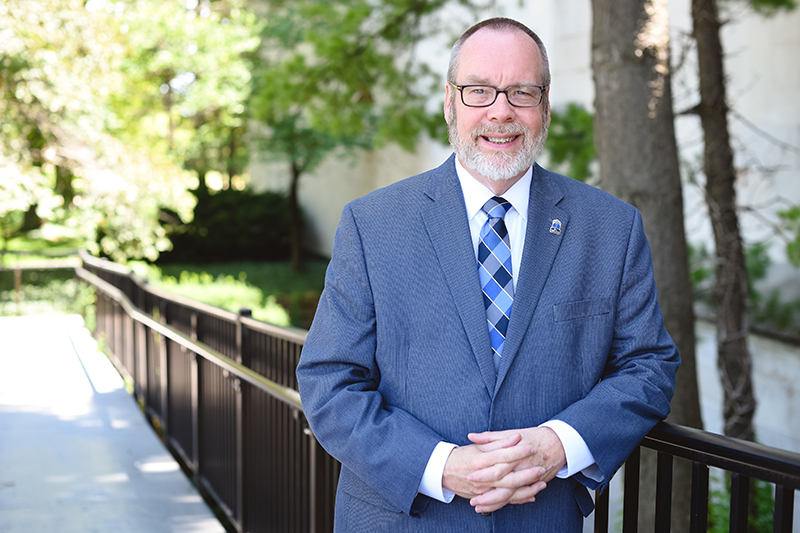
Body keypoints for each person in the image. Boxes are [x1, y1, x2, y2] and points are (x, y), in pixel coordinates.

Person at [296, 17, 680, 532]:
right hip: (402, 520)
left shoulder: (611, 228)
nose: (501, 111)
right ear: (451, 102)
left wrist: (559, 445)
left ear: (543, 107)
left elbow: (649, 365)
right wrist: (441, 467)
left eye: (521, 92)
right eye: (480, 91)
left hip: (540, 518)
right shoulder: (372, 224)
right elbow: (329, 379)